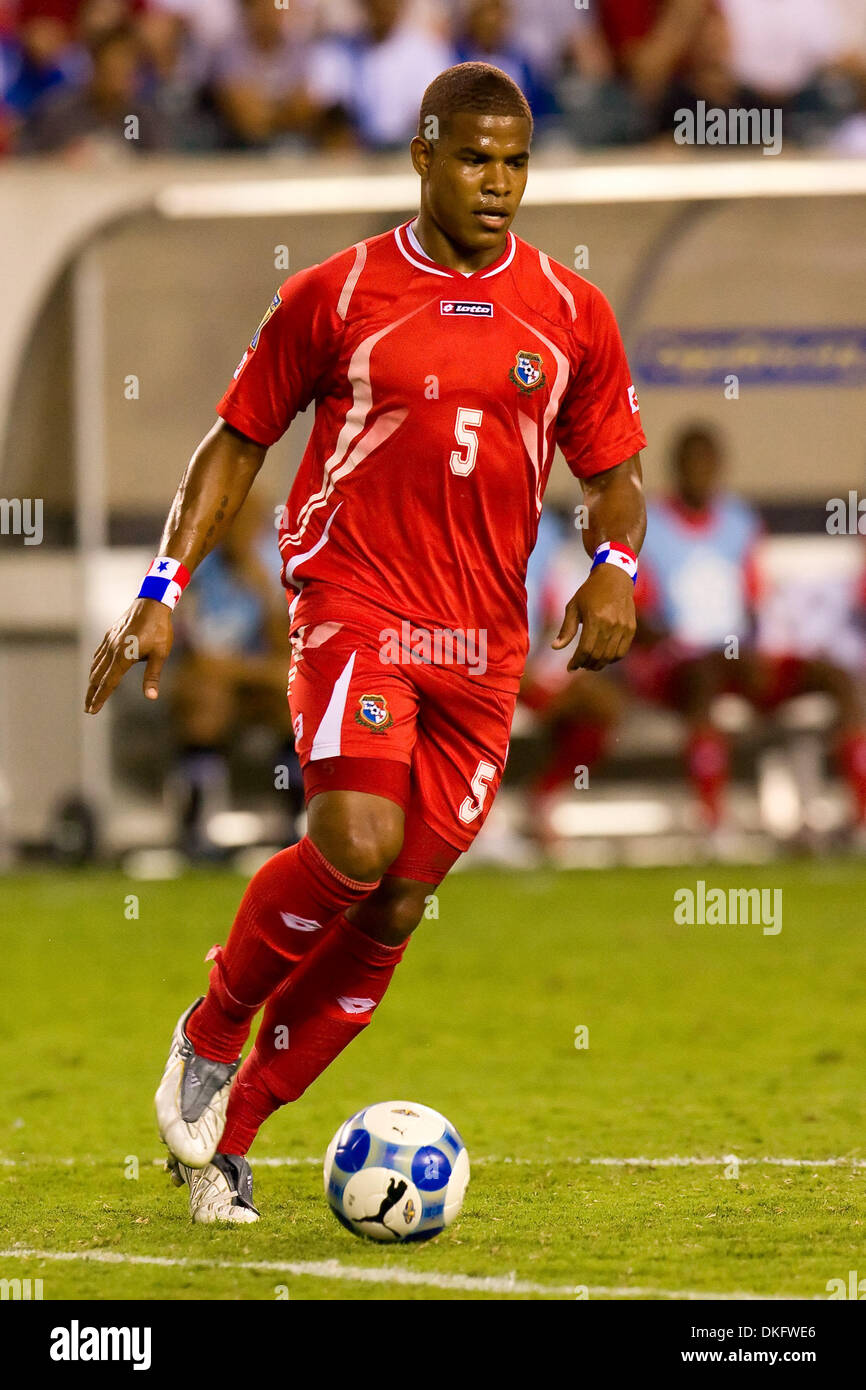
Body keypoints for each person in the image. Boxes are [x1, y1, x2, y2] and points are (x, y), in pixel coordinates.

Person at [85, 61, 647, 1223]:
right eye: (475, 158)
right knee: (351, 840)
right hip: (356, 609)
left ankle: (228, 1142)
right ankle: (208, 1027)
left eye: (516, 162)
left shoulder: (570, 311)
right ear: (424, 156)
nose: (498, 183)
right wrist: (161, 585)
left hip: (482, 647)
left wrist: (612, 565)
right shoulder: (334, 297)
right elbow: (234, 442)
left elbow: (613, 473)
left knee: (393, 904)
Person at [630, 425, 866, 833]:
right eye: (692, 464)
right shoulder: (648, 528)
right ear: (677, 468)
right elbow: (638, 618)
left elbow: (755, 606)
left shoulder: (739, 522)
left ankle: (860, 815)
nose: (700, 473)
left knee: (837, 678)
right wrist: (684, 644)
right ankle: (712, 821)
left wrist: (757, 649)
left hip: (739, 660)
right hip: (680, 665)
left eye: (708, 464)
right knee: (704, 675)